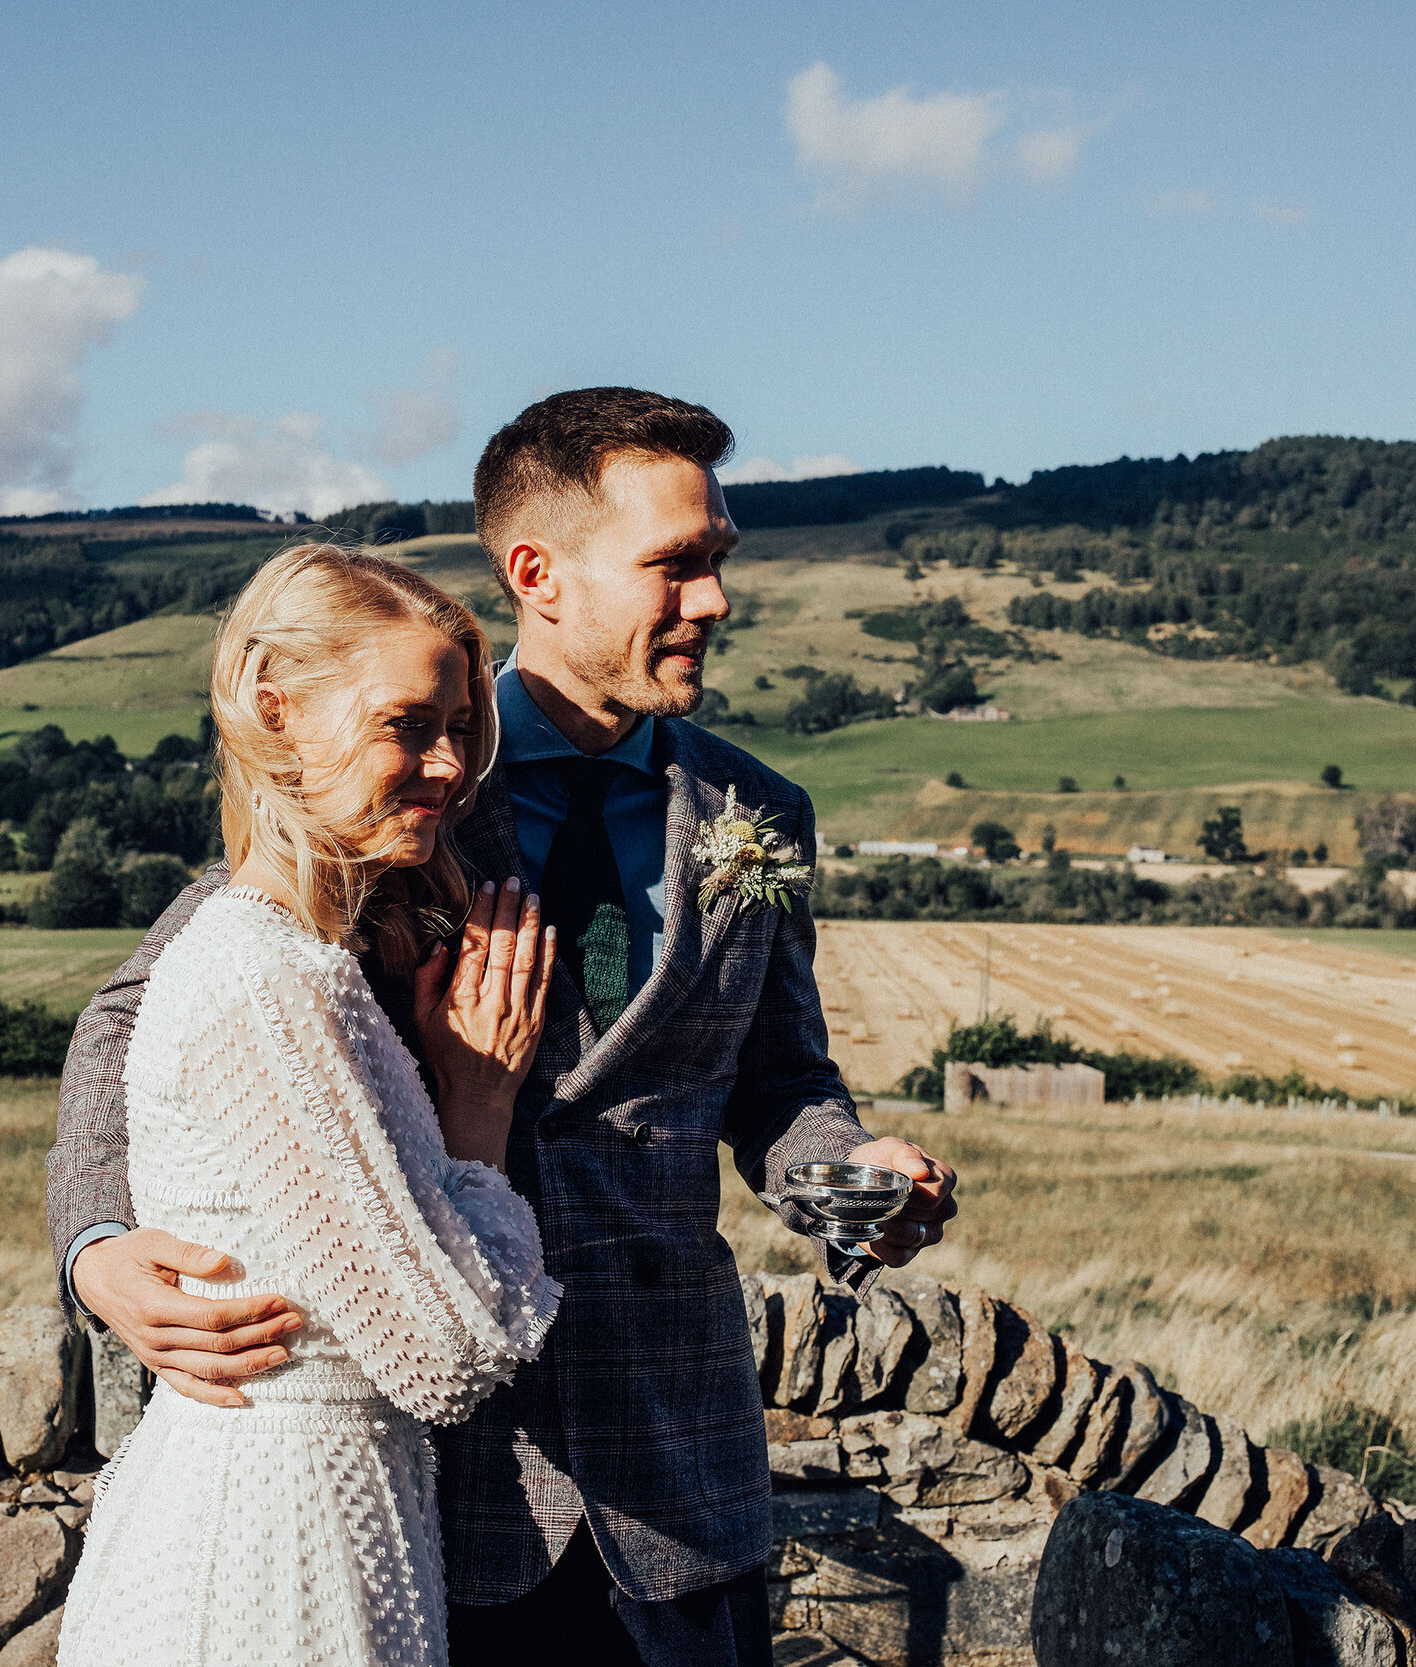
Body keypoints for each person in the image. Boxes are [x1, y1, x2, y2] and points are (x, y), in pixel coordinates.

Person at [49, 387, 958, 1667]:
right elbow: (140, 1009)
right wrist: (98, 1244)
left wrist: (842, 1171)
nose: (713, 600)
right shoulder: (401, 779)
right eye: (675, 565)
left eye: (719, 563)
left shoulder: (760, 811)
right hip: (451, 1481)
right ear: (538, 572)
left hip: (683, 1470)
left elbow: (780, 1079)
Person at [55, 543, 564, 1667]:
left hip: (341, 1511)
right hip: (275, 1546)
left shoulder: (300, 957)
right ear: (275, 713)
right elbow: (445, 1354)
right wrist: (478, 1110)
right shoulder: (262, 972)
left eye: (460, 731)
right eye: (406, 725)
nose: (448, 767)